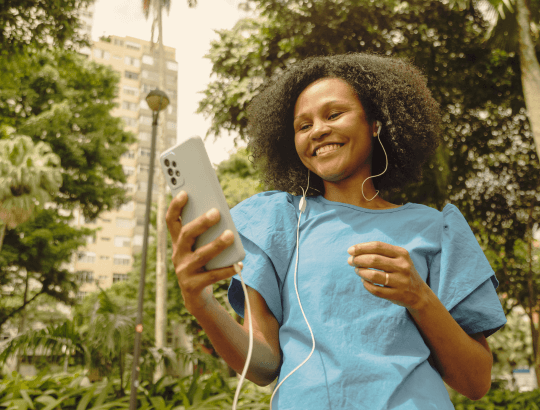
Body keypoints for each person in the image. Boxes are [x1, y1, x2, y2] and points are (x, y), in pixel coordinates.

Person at [166, 53, 507, 409]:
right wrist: (201, 304)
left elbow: (475, 380)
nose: (318, 130)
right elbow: (264, 365)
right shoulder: (273, 222)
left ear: (374, 123)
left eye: (333, 114)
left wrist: (419, 297)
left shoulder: (437, 229)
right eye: (303, 125)